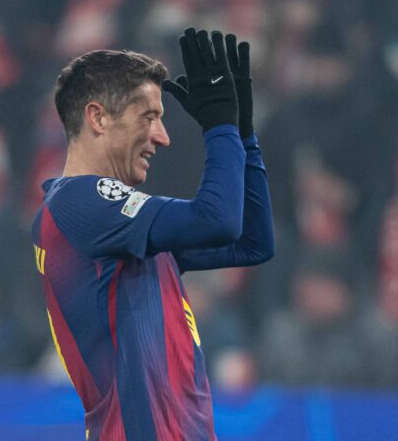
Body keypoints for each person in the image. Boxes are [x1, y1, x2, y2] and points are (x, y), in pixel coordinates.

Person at [31, 28, 274, 441]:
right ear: (97, 117)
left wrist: (242, 134)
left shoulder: (117, 229)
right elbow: (216, 220)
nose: (162, 137)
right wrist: (219, 127)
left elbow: (252, 242)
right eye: (148, 117)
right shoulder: (80, 202)